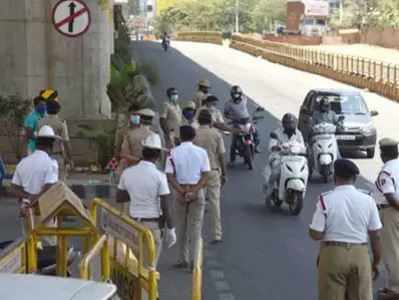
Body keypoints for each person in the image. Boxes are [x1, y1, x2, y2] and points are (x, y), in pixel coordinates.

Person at [309, 159, 382, 300]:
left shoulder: (325, 200)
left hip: (332, 255)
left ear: (335, 177)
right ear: (355, 178)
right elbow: (376, 235)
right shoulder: (368, 200)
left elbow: (316, 234)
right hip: (360, 255)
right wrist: (376, 262)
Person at [117, 133, 176, 268]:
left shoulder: (128, 173)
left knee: (133, 267)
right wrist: (171, 229)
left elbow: (119, 197)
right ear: (157, 155)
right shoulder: (159, 176)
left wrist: (135, 194)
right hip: (152, 227)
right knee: (149, 270)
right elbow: (165, 205)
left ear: (143, 152)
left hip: (132, 226)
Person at [165, 126, 210, 269]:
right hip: (197, 191)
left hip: (180, 191)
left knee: (181, 227)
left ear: (180, 136)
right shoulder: (202, 152)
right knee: (195, 229)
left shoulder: (173, 153)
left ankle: (182, 259)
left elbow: (170, 176)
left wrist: (182, 191)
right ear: (194, 136)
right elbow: (206, 175)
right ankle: (195, 262)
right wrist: (194, 191)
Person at [11, 125, 60, 245]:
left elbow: (14, 188)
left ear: (37, 143)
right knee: (49, 248)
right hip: (45, 211)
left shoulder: (23, 162)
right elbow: (49, 187)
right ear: (51, 145)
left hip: (27, 212)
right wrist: (33, 199)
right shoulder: (51, 164)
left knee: (31, 245)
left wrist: (27, 198)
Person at [194, 110, 226, 244]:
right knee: (215, 203)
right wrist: (224, 173)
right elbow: (221, 155)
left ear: (199, 121)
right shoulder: (216, 134)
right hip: (213, 171)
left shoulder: (194, 134)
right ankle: (217, 234)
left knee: (198, 204)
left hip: (197, 173)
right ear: (211, 121)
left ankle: (196, 233)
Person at [375, 138, 399, 297]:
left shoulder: (387, 171)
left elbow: (389, 195)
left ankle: (395, 288)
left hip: (391, 213)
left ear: (383, 153)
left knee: (392, 252)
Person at [264, 113, 306, 197]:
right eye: (287, 123)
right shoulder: (277, 132)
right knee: (275, 172)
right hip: (279, 157)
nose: (290, 125)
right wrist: (276, 147)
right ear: (283, 124)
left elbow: (302, 145)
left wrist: (302, 149)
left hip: (294, 157)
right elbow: (271, 146)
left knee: (304, 169)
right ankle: (270, 188)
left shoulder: (298, 133)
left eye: (292, 123)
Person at [38, 99, 72, 181]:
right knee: (60, 183)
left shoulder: (40, 122)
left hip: (43, 156)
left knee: (44, 181)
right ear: (58, 110)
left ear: (46, 109)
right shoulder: (61, 123)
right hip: (57, 156)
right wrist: (69, 158)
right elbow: (66, 142)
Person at [224, 85, 260, 154]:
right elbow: (226, 114)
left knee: (255, 132)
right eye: (234, 94)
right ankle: (232, 159)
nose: (236, 96)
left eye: (237, 94)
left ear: (240, 94)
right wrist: (232, 118)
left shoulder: (244, 99)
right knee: (234, 141)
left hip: (247, 121)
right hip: (236, 123)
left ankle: (256, 146)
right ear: (232, 95)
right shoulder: (228, 104)